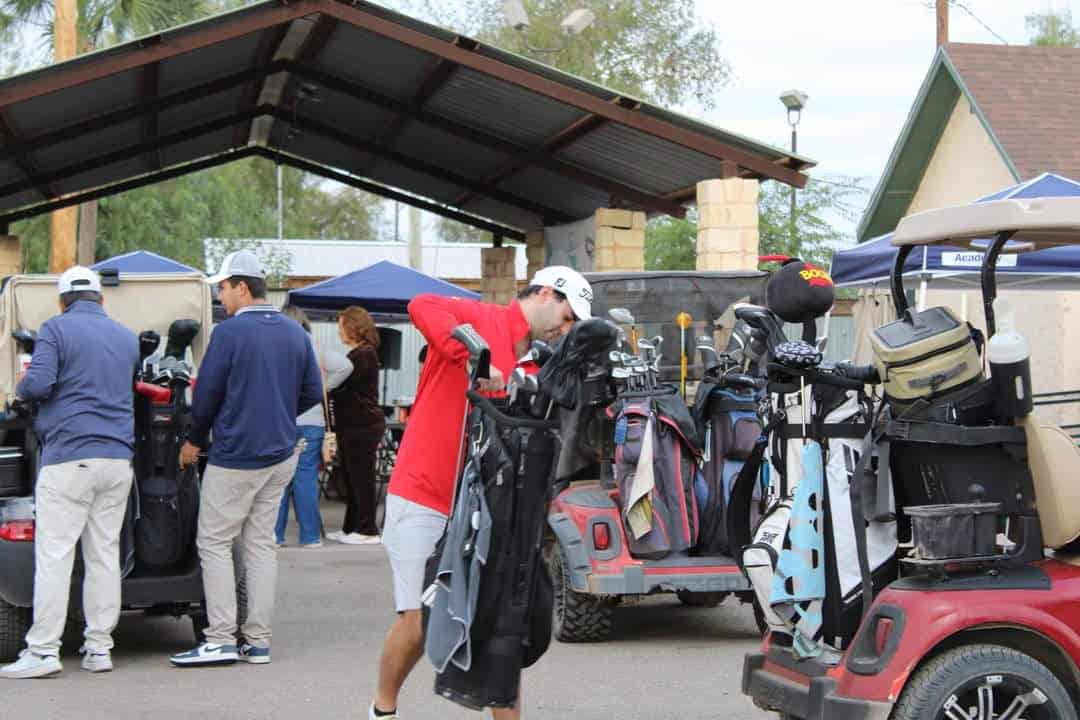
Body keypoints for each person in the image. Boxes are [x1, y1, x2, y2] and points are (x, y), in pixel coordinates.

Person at [369, 266, 592, 720]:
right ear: (546, 292)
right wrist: (475, 354)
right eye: (566, 315)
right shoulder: (478, 317)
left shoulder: (542, 362)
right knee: (418, 622)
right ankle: (382, 709)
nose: (564, 328)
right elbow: (420, 305)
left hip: (490, 505)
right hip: (425, 493)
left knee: (502, 625)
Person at [170, 250, 322, 667]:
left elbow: (206, 397)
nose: (220, 296)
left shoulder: (229, 335)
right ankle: (257, 642)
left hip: (236, 454)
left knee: (214, 542)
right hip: (281, 452)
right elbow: (311, 391)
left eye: (222, 287)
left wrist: (194, 440)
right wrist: (275, 411)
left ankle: (219, 637)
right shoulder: (296, 333)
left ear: (242, 286)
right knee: (260, 546)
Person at [0, 267, 139, 679]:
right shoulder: (126, 337)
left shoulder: (55, 330)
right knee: (103, 557)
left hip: (69, 459)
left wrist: (23, 385)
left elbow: (35, 386)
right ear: (102, 299)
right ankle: (99, 648)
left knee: (56, 556)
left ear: (62, 302)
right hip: (117, 460)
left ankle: (43, 651)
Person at [275, 306, 352, 548]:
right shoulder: (315, 346)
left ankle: (275, 536)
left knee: (280, 481)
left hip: (283, 420)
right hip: (312, 421)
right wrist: (322, 388)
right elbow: (345, 366)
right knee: (305, 478)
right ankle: (310, 537)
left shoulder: (275, 345)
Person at [326, 306, 385, 545]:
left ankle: (367, 529)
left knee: (362, 479)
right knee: (350, 479)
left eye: (341, 327)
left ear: (353, 327)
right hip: (353, 425)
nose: (339, 332)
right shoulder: (359, 354)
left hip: (362, 425)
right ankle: (351, 526)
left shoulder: (363, 355)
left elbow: (340, 388)